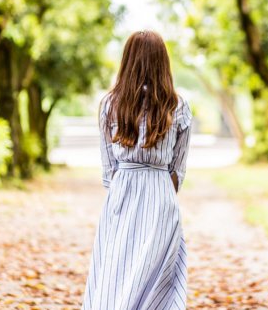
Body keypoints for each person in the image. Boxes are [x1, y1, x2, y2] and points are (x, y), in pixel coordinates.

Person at [82, 30, 192, 310]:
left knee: (114, 276)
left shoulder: (110, 105)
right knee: (158, 282)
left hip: (122, 195)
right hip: (161, 196)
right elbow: (178, 168)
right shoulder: (178, 107)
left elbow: (108, 171)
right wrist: (160, 189)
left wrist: (126, 188)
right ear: (163, 63)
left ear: (127, 61)